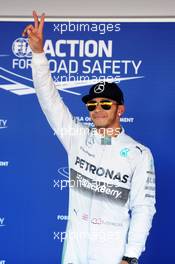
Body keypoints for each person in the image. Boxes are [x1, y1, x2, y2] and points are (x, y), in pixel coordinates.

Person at [23, 11, 156, 264]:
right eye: (92, 105)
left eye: (106, 104)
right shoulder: (77, 138)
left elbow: (143, 208)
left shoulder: (139, 153)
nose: (97, 109)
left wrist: (131, 256)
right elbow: (49, 100)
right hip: (74, 251)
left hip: (112, 254)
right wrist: (38, 54)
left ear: (120, 109)